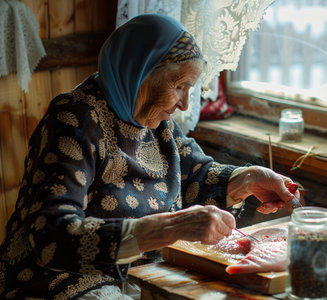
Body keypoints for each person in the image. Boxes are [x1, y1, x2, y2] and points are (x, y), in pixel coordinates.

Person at [0, 14, 301, 299]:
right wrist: (169, 229)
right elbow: (51, 236)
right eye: (179, 86)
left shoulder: (156, 121)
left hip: (140, 272)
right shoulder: (74, 120)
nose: (184, 104)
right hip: (60, 280)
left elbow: (193, 175)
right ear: (141, 72)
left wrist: (247, 179)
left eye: (190, 89)